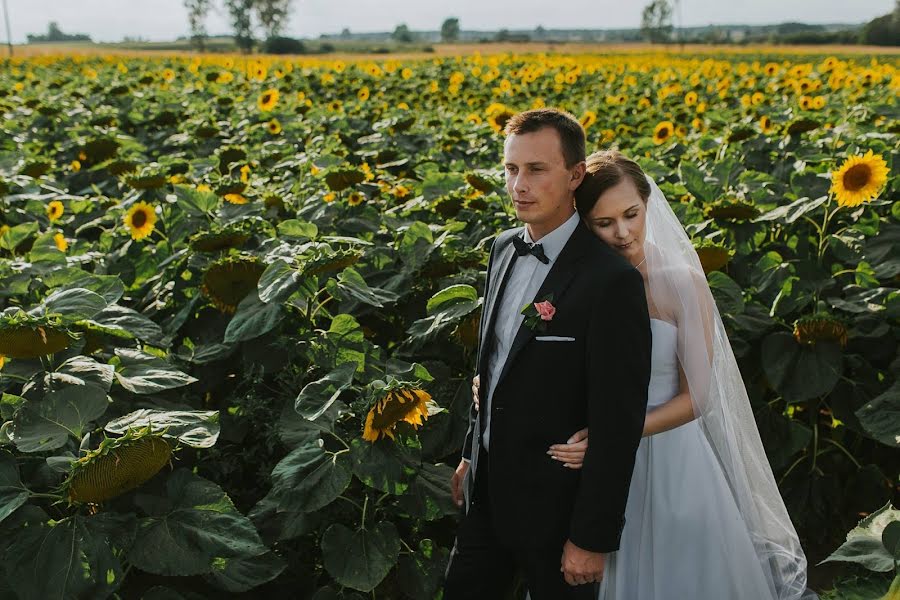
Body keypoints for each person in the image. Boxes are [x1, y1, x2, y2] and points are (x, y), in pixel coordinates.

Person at [472, 150, 816, 600]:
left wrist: (612, 435)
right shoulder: (573, 283)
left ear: (648, 204)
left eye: (631, 215)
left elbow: (699, 397)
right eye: (603, 223)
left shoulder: (681, 282)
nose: (622, 233)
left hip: (668, 459)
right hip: (586, 467)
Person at [443, 110, 652, 600]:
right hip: (487, 494)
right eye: (511, 169)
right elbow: (492, 364)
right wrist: (473, 452)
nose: (520, 184)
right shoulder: (501, 249)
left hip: (558, 511)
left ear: (575, 175)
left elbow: (618, 422)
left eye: (537, 169)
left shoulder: (611, 281)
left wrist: (590, 538)